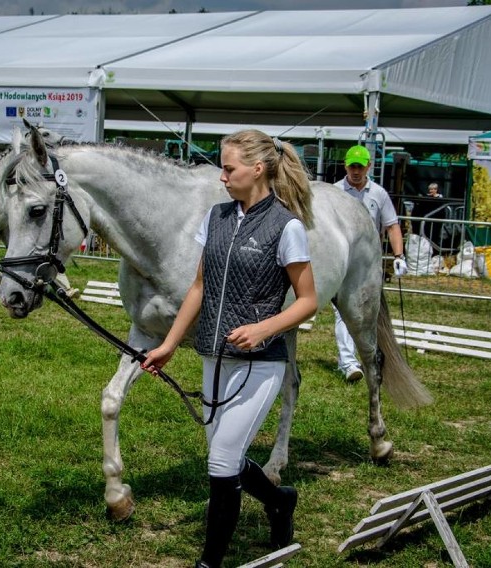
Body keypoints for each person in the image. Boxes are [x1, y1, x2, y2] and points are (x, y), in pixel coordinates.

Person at [141, 129, 317, 568]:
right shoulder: (216, 217)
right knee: (229, 458)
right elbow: (199, 287)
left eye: (229, 167)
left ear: (257, 169)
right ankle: (279, 501)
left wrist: (263, 329)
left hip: (261, 364)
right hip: (212, 357)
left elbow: (308, 301)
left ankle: (209, 563)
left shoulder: (286, 226)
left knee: (221, 464)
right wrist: (169, 343)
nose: (222, 176)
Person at [333, 144, 406, 381]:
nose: (355, 171)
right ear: (345, 166)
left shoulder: (378, 193)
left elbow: (392, 226)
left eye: (360, 166)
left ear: (368, 166)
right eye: (352, 166)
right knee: (343, 311)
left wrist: (398, 256)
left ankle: (372, 352)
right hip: (342, 260)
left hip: (368, 263)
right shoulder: (334, 192)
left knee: (368, 310)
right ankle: (348, 363)